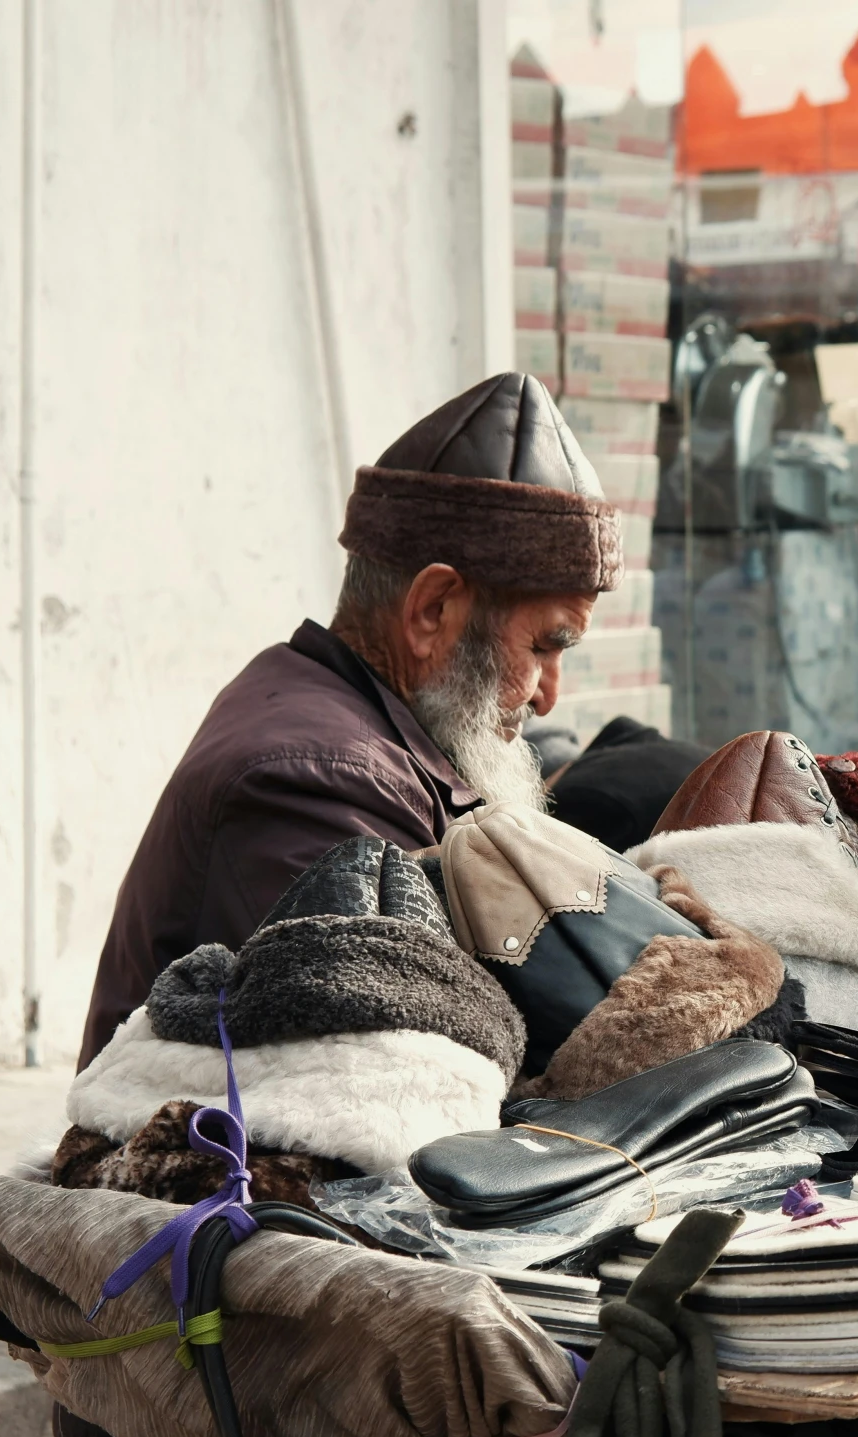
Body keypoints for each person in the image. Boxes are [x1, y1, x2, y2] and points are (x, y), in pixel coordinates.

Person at [78, 372, 620, 1067]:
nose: (548, 696)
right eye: (544, 645)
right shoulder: (319, 780)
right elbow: (405, 1073)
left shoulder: (337, 716)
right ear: (433, 610)